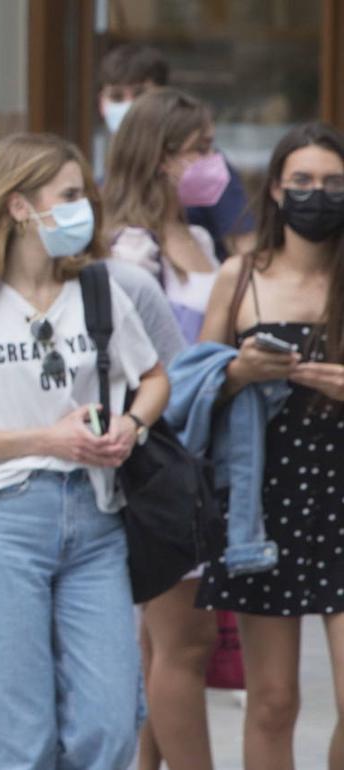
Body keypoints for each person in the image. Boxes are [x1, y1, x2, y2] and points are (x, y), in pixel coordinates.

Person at [0, 133, 170, 769]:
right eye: (70, 195)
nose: (85, 207)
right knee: (14, 745)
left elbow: (156, 377)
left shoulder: (100, 290)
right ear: (20, 205)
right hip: (5, 522)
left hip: (98, 521)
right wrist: (46, 439)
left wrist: (131, 425)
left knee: (109, 731)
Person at [194, 122, 344, 770]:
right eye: (304, 181)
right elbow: (192, 384)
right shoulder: (241, 275)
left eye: (335, 183)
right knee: (274, 700)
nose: (318, 194)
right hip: (266, 500)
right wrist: (238, 371)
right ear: (277, 190)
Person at [103, 87, 222, 769]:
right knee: (184, 642)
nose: (213, 163)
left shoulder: (201, 237)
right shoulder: (131, 253)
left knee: (162, 642)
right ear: (159, 158)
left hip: (209, 455)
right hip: (165, 461)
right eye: (198, 149)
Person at [97, 43, 255, 260]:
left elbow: (247, 253)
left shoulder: (205, 170)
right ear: (101, 103)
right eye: (116, 97)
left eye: (140, 94)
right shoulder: (100, 183)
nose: (130, 106)